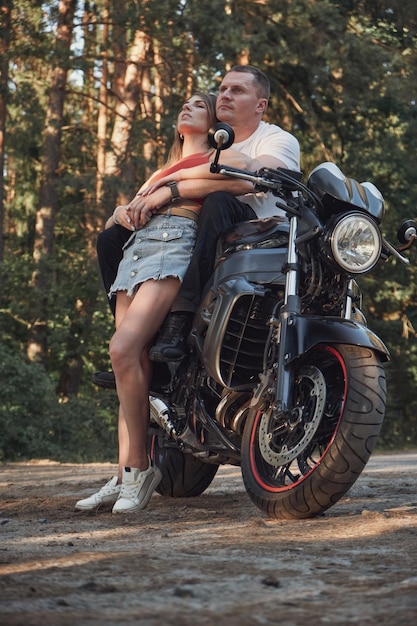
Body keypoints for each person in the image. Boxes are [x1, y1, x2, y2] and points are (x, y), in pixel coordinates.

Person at [75, 93, 254, 513]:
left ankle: (140, 468)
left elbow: (243, 181)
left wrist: (172, 191)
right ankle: (123, 475)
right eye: (185, 104)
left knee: (122, 349)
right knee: (131, 364)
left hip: (174, 246)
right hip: (136, 250)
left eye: (199, 104)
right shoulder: (160, 169)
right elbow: (120, 219)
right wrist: (120, 211)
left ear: (213, 123)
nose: (188, 107)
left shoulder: (220, 154)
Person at [95, 65, 300, 367]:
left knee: (217, 200)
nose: (225, 96)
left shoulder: (275, 139)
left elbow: (249, 178)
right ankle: (135, 340)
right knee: (111, 239)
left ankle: (180, 316)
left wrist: (172, 190)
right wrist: (124, 209)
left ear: (261, 105)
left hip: (257, 239)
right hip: (193, 236)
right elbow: (150, 193)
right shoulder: (210, 143)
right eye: (223, 89)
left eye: (238, 90)